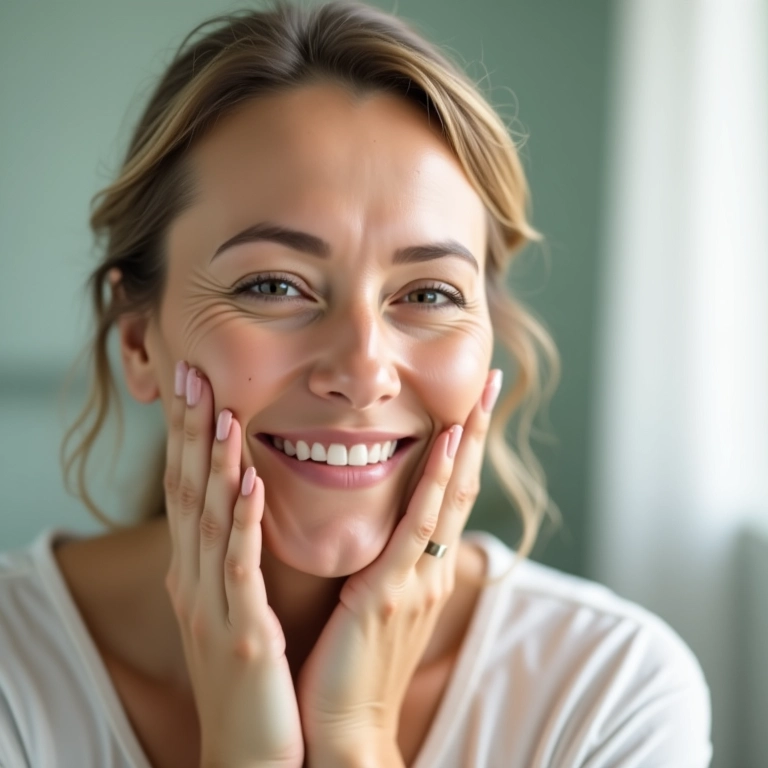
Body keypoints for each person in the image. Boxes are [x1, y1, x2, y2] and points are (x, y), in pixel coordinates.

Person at [0, 2, 712, 766]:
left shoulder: (610, 694)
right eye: (274, 285)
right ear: (139, 341)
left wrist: (358, 738)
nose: (365, 370)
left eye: (430, 294)